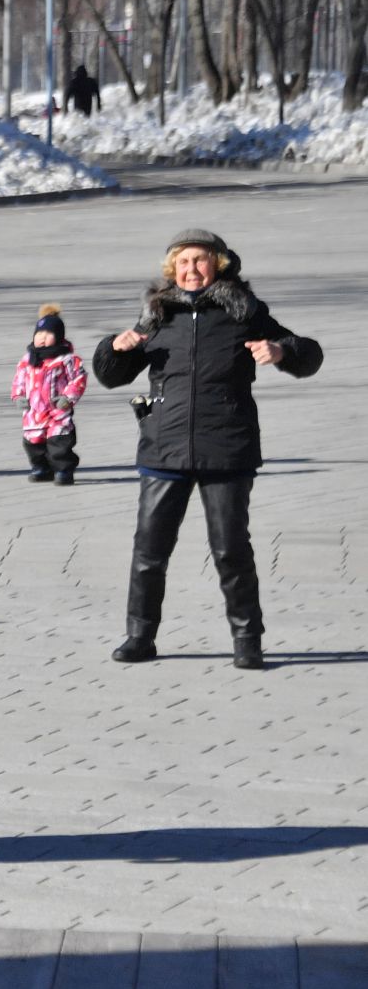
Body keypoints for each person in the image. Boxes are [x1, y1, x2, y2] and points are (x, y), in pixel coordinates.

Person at [93, 229, 323, 670]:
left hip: (227, 446)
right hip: (164, 447)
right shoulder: (157, 315)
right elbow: (113, 376)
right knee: (149, 551)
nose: (191, 269)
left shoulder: (244, 312)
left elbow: (308, 355)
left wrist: (280, 350)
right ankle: (139, 636)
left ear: (218, 264)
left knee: (231, 550)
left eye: (199, 260)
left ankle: (247, 641)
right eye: (183, 262)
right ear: (171, 269)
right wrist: (112, 348)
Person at [10, 304, 87, 485]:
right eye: (39, 334)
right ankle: (41, 468)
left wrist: (68, 398)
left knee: (59, 441)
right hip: (33, 410)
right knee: (33, 442)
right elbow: (19, 379)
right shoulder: (28, 360)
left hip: (57, 409)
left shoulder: (67, 359)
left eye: (48, 335)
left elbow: (78, 379)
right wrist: (18, 396)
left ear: (59, 337)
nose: (42, 339)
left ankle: (63, 470)